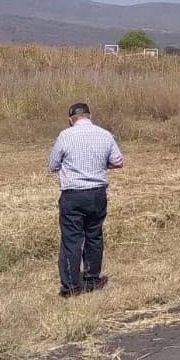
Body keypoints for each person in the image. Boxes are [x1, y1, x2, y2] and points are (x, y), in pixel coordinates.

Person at [48, 102, 123, 297]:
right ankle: (92, 279)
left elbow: (53, 164)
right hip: (97, 193)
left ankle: (71, 287)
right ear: (90, 115)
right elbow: (118, 161)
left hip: (73, 193)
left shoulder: (65, 135)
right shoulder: (105, 134)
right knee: (94, 235)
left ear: (70, 119)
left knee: (71, 239)